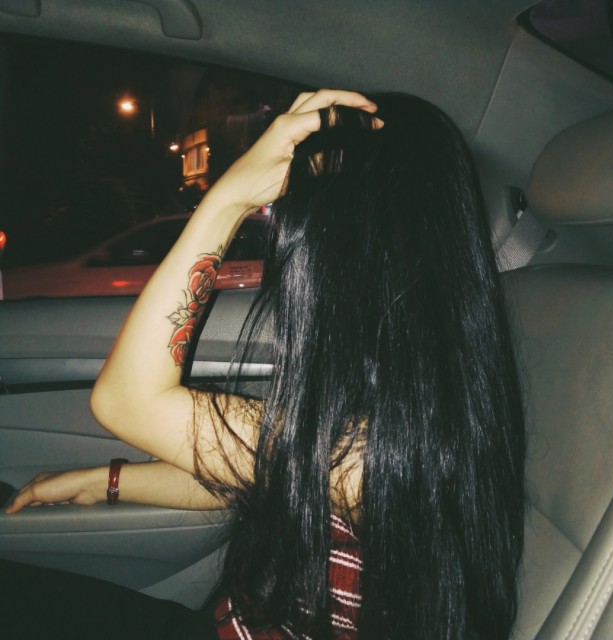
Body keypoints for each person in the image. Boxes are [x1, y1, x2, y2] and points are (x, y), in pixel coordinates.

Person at [2, 89, 526, 640]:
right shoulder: (402, 422)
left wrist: (227, 200)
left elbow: (126, 401)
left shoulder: (374, 454)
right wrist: (107, 482)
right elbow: (265, 471)